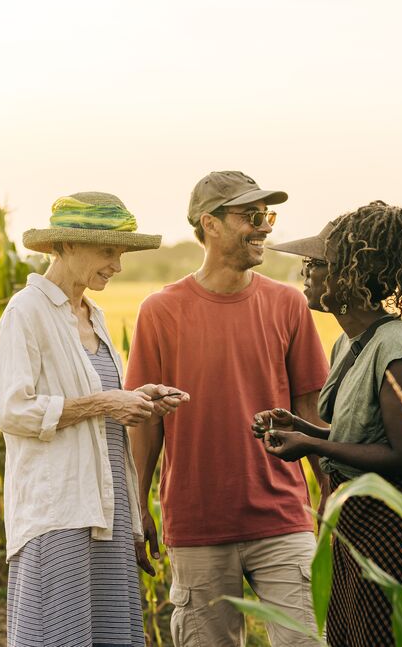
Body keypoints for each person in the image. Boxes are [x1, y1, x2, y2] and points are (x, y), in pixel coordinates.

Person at [126, 170, 329, 647]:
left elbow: (309, 410)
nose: (263, 226)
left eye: (266, 215)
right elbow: (145, 423)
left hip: (283, 518)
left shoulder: (288, 306)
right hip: (197, 525)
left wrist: (328, 490)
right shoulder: (160, 311)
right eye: (250, 216)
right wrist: (138, 508)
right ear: (209, 224)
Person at [253, 200, 402, 647]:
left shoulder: (397, 348)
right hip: (360, 519)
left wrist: (313, 447)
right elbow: (367, 436)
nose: (305, 273)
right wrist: (304, 428)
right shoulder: (349, 344)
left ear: (350, 276)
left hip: (397, 523)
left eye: (316, 264)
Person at [0, 192, 189, 647]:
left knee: (108, 635)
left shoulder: (92, 314)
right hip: (58, 509)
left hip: (108, 508)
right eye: (108, 251)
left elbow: (88, 397)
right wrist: (104, 403)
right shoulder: (26, 313)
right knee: (57, 635)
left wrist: (136, 399)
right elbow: (13, 410)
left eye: (120, 253)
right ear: (66, 247)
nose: (117, 265)